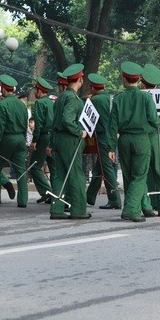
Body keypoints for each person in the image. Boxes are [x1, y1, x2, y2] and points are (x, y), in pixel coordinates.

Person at [108, 61, 160, 223]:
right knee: (140, 176)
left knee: (130, 176)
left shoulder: (118, 99)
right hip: (141, 139)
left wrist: (110, 147)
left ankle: (141, 207)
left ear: (124, 78)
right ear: (139, 80)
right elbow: (153, 120)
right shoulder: (146, 98)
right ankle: (131, 210)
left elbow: (112, 125)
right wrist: (158, 124)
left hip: (123, 140)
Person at [49, 63, 91, 220]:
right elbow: (68, 119)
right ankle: (79, 210)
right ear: (80, 79)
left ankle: (57, 208)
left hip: (58, 139)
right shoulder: (73, 98)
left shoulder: (61, 97)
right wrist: (79, 131)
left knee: (59, 175)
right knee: (76, 175)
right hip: (70, 139)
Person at [0, 74, 29, 207]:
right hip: (21, 138)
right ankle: (23, 200)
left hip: (7, 139)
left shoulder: (2, 104)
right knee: (21, 170)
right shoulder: (22, 105)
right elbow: (25, 125)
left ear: (4, 89)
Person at [139, 64, 160, 217]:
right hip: (157, 138)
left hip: (144, 137)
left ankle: (146, 205)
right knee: (158, 171)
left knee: (144, 173)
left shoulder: (140, 97)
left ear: (142, 82)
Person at [85, 73, 122, 210]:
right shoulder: (111, 98)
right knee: (99, 167)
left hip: (102, 137)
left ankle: (115, 199)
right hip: (112, 136)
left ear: (93, 88)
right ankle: (89, 196)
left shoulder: (95, 101)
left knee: (106, 169)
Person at [29, 77, 55, 204]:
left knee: (34, 166)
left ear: (39, 90)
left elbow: (38, 124)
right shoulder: (51, 102)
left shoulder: (39, 103)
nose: (34, 92)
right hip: (52, 137)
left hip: (43, 137)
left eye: (35, 89)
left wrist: (34, 141)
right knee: (53, 167)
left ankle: (47, 192)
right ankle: (56, 194)